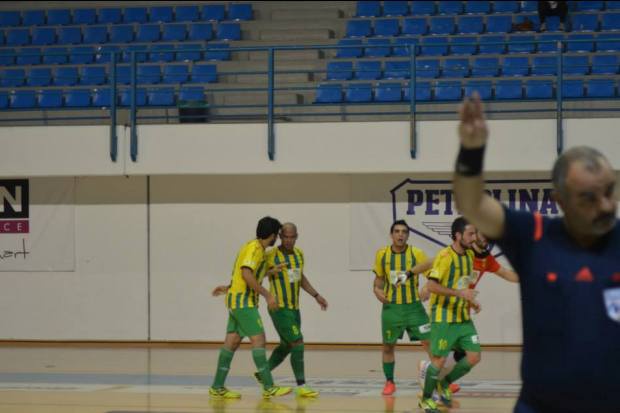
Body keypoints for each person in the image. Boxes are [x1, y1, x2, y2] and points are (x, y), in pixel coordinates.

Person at [453, 93, 620, 413]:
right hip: (540, 405)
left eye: (609, 191)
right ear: (560, 201)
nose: (605, 206)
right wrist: (471, 152)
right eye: (589, 198)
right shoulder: (533, 235)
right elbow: (472, 205)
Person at [418, 227, 519, 396]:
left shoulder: (486, 259)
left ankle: (438, 379)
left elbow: (506, 273)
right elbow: (435, 264)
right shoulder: (461, 252)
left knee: (466, 355)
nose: (486, 237)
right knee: (446, 355)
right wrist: (426, 287)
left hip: (462, 309)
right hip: (445, 307)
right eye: (480, 234)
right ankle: (431, 377)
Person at [209, 216, 292, 400]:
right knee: (259, 339)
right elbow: (246, 274)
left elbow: (249, 274)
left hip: (237, 300)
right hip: (243, 303)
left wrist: (270, 271)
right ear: (270, 235)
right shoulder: (254, 249)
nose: (277, 239)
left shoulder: (255, 248)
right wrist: (268, 295)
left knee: (232, 342)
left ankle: (217, 386)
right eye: (276, 235)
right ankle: (268, 386)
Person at [253, 222, 328, 398]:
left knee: (287, 345)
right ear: (280, 236)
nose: (288, 240)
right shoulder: (271, 254)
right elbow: (256, 275)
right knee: (297, 342)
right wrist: (270, 272)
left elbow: (300, 277)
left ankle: (262, 374)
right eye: (285, 236)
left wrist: (316, 295)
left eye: (291, 237)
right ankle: (301, 385)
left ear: (296, 237)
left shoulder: (299, 254)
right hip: (279, 307)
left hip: (294, 308)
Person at [418, 217, 481, 413]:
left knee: (474, 356)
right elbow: (431, 285)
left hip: (462, 317)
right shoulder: (444, 257)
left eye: (475, 234)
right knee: (439, 361)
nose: (474, 238)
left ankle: (444, 383)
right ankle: (426, 399)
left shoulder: (469, 256)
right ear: (458, 235)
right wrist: (460, 294)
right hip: (443, 317)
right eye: (470, 234)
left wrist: (471, 300)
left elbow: (462, 284)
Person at [373, 220, 433, 396]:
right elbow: (379, 281)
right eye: (397, 231)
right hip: (392, 309)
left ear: (408, 235)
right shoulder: (382, 255)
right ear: (391, 235)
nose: (400, 234)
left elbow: (432, 276)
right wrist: (376, 290)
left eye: (404, 232)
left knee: (431, 343)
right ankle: (390, 382)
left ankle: (442, 380)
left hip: (415, 308)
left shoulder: (417, 253)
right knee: (388, 347)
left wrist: (426, 288)